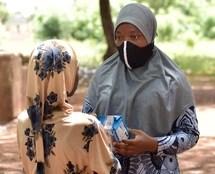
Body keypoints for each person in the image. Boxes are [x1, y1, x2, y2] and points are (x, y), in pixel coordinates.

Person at [82, 3, 200, 174]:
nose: (125, 44)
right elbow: (86, 123)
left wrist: (153, 144)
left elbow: (191, 134)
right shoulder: (103, 74)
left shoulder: (171, 78)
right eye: (119, 37)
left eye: (134, 37)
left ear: (149, 34)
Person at [17, 39, 121, 174]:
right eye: (75, 69)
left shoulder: (23, 120)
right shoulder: (88, 126)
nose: (77, 76)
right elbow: (112, 170)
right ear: (65, 75)